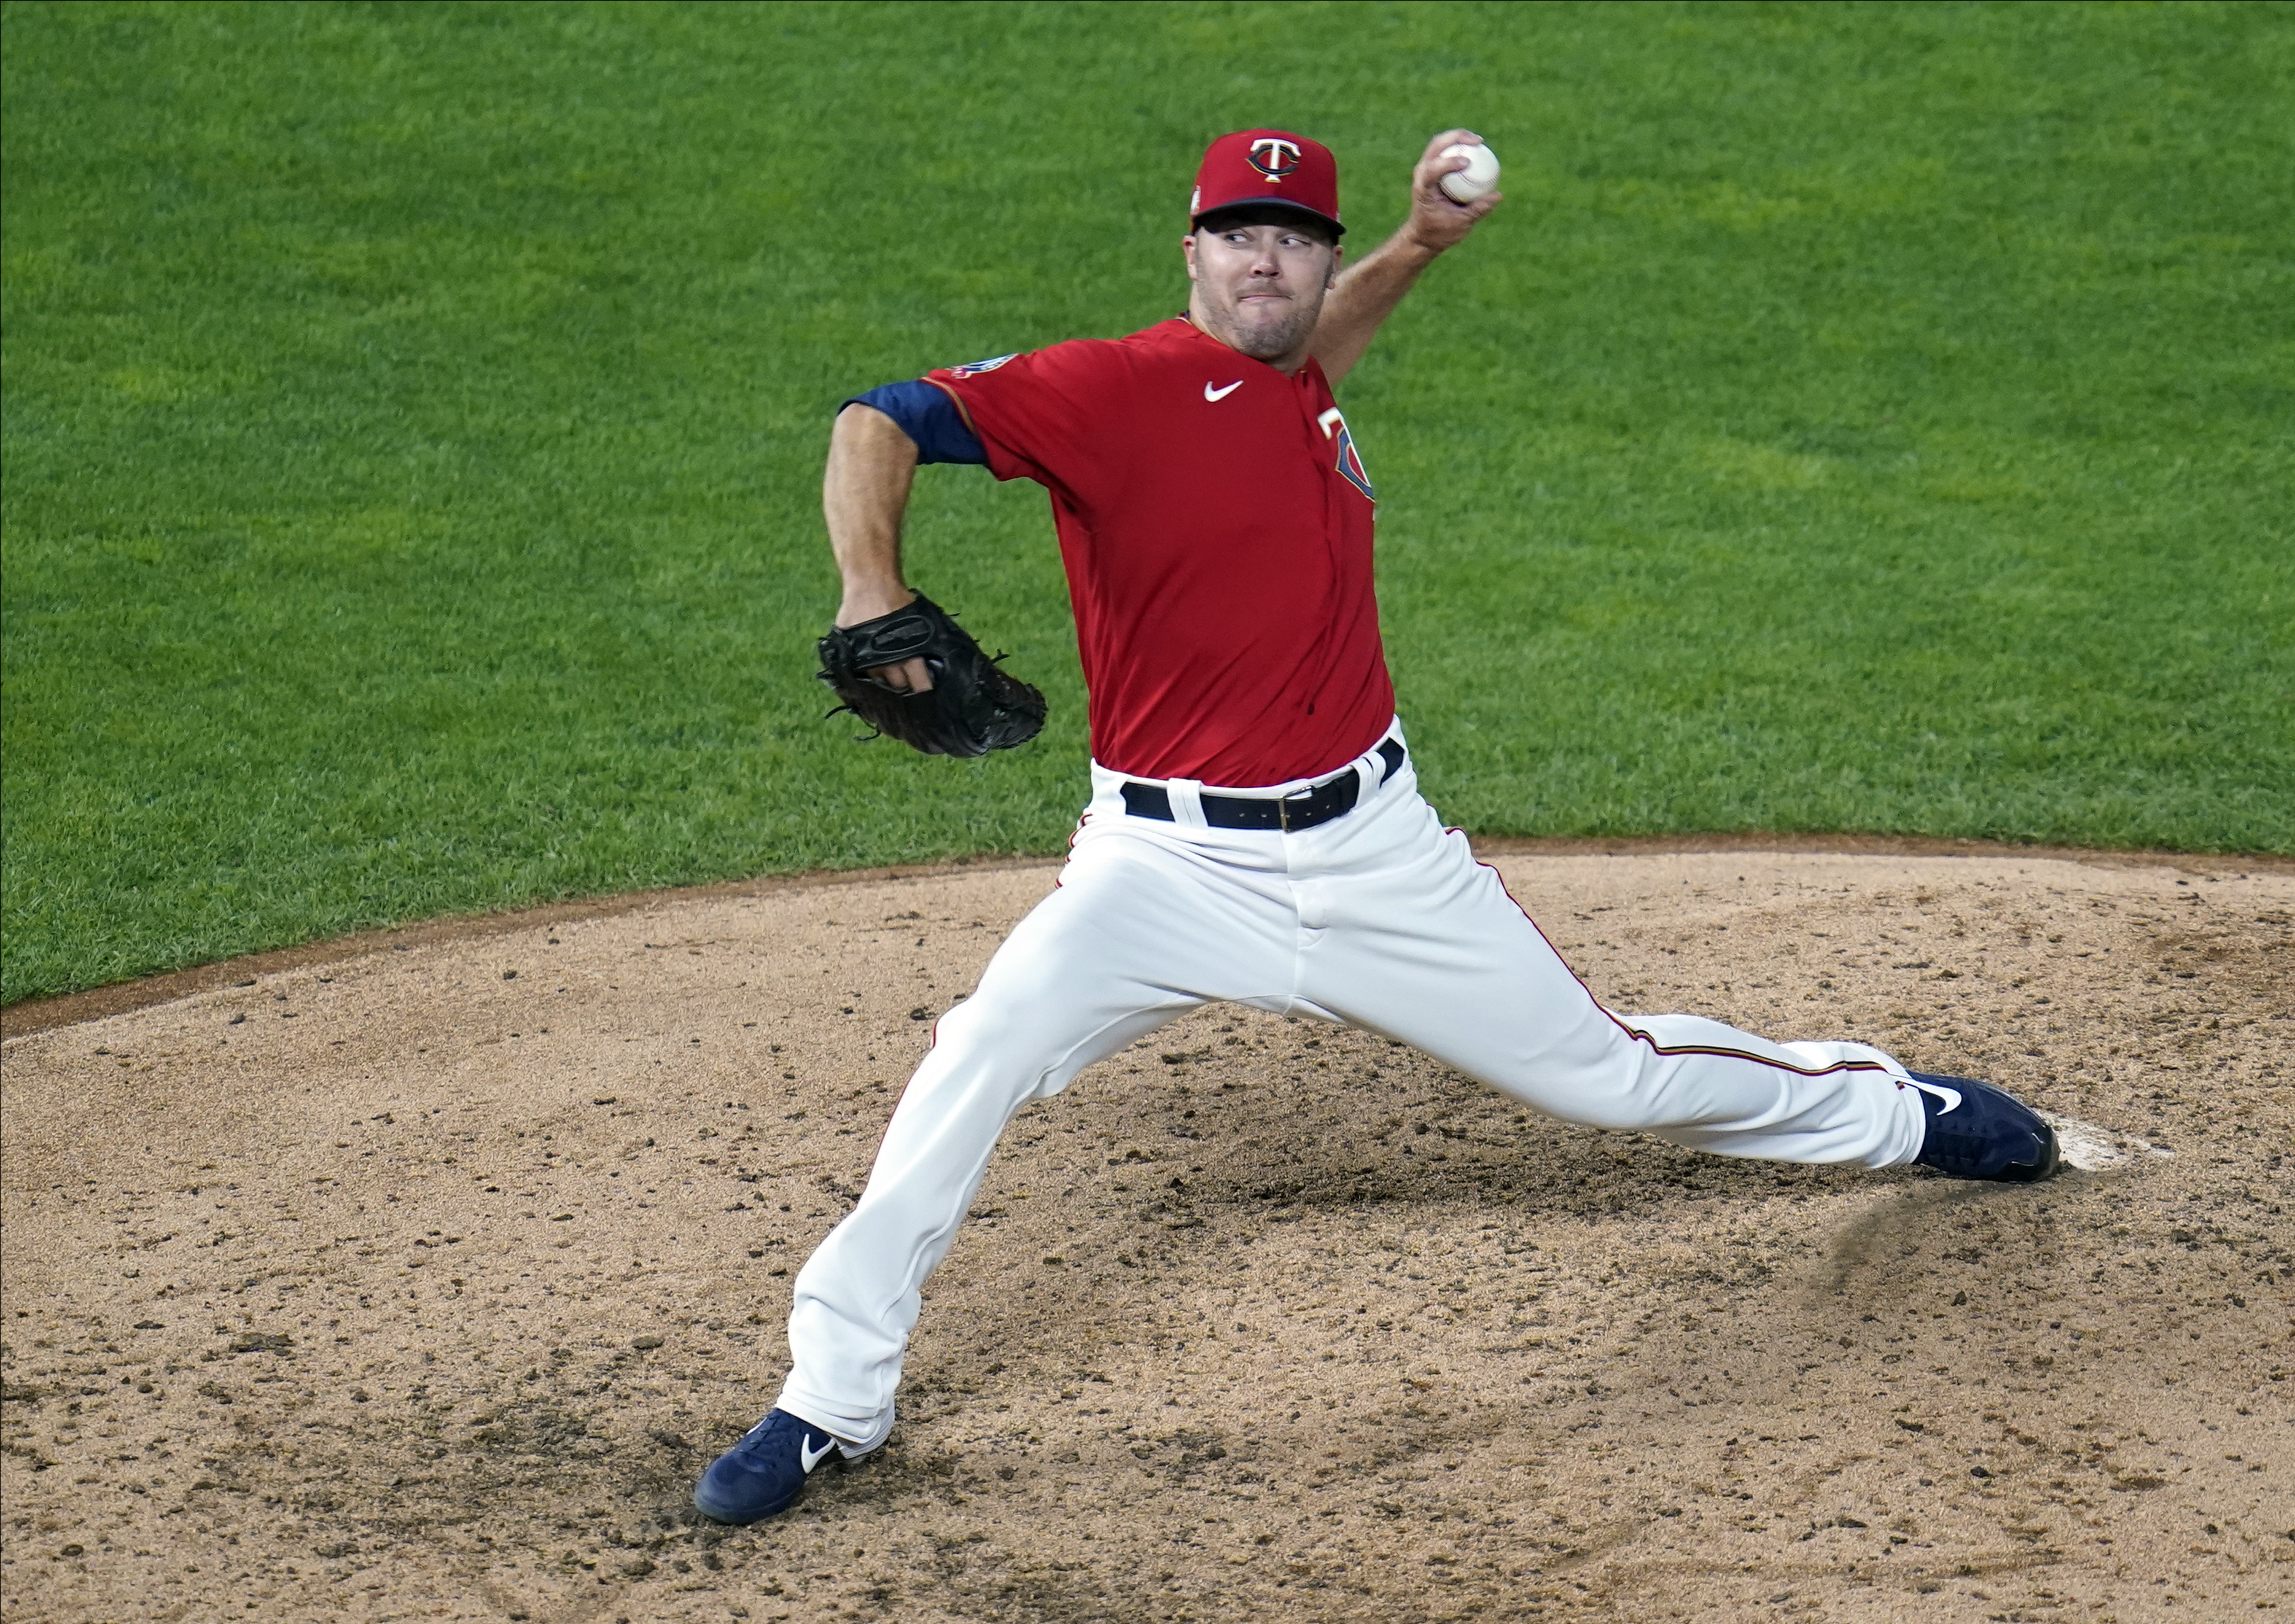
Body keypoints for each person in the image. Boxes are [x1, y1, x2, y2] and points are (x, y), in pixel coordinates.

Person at [692, 128, 2059, 1526]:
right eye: (1237, 232)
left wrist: (1420, 248)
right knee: (976, 1056)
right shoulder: (1114, 387)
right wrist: (871, 587)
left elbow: (1299, 352)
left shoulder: (1298, 381)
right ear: (1193, 253)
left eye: (1293, 233)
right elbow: (878, 415)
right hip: (1165, 867)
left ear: (1325, 256)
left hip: (1377, 859)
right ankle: (830, 1401)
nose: (1264, 255)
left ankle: (1895, 1112)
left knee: (1614, 1081)